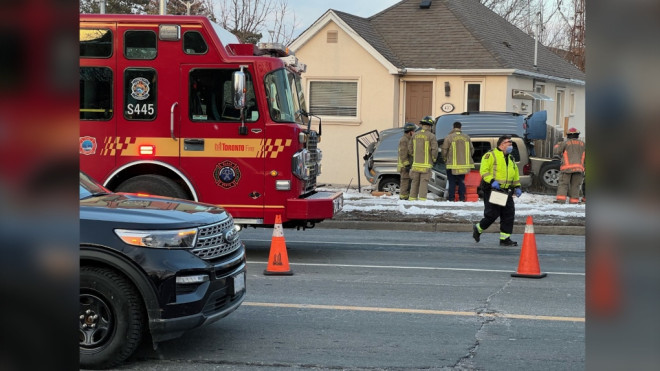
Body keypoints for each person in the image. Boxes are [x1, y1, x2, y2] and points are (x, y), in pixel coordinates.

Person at [472, 135, 523, 246]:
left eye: (511, 143)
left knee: (508, 215)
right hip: (493, 190)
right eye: (508, 143)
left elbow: (515, 174)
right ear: (501, 144)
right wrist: (491, 181)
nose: (510, 145)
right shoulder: (491, 155)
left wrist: (517, 186)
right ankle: (478, 228)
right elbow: (484, 171)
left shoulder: (510, 158)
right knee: (492, 215)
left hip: (506, 191)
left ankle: (505, 239)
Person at [441, 121, 474, 201]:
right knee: (461, 182)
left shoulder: (449, 137)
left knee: (452, 182)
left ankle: (451, 198)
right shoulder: (466, 137)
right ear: (460, 128)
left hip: (451, 165)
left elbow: (444, 150)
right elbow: (472, 150)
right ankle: (462, 198)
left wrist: (445, 159)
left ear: (453, 127)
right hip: (464, 165)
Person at [408, 116, 438, 201]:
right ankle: (422, 200)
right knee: (423, 183)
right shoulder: (431, 136)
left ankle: (412, 199)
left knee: (414, 182)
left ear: (422, 125)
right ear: (429, 126)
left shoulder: (415, 135)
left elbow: (410, 147)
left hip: (416, 164)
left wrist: (414, 155)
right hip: (426, 165)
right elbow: (434, 149)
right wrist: (434, 159)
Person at [553, 127, 585, 204]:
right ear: (577, 135)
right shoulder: (583, 144)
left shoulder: (565, 143)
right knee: (575, 186)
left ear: (568, 135)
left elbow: (557, 151)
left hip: (566, 169)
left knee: (563, 184)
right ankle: (574, 201)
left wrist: (557, 145)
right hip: (579, 169)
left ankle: (561, 200)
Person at [397, 122, 416, 200]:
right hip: (404, 166)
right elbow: (403, 153)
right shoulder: (404, 140)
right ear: (410, 131)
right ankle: (403, 198)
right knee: (405, 183)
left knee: (408, 183)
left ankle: (406, 197)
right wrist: (407, 164)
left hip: (407, 165)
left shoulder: (408, 139)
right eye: (413, 131)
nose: (414, 132)